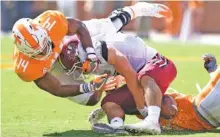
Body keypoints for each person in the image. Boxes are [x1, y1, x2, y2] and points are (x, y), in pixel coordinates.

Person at [12, 2, 173, 119]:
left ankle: (135, 10)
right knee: (91, 98)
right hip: (56, 67)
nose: (45, 51)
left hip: (70, 41)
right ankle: (107, 80)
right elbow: (58, 89)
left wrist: (90, 53)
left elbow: (80, 27)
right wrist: (88, 86)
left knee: (107, 27)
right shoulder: (26, 68)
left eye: (45, 44)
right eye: (39, 51)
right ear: (26, 52)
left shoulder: (51, 22)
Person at [89, 53, 219, 133]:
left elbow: (118, 100)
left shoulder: (139, 108)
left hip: (208, 116)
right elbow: (169, 108)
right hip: (201, 109)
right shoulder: (146, 105)